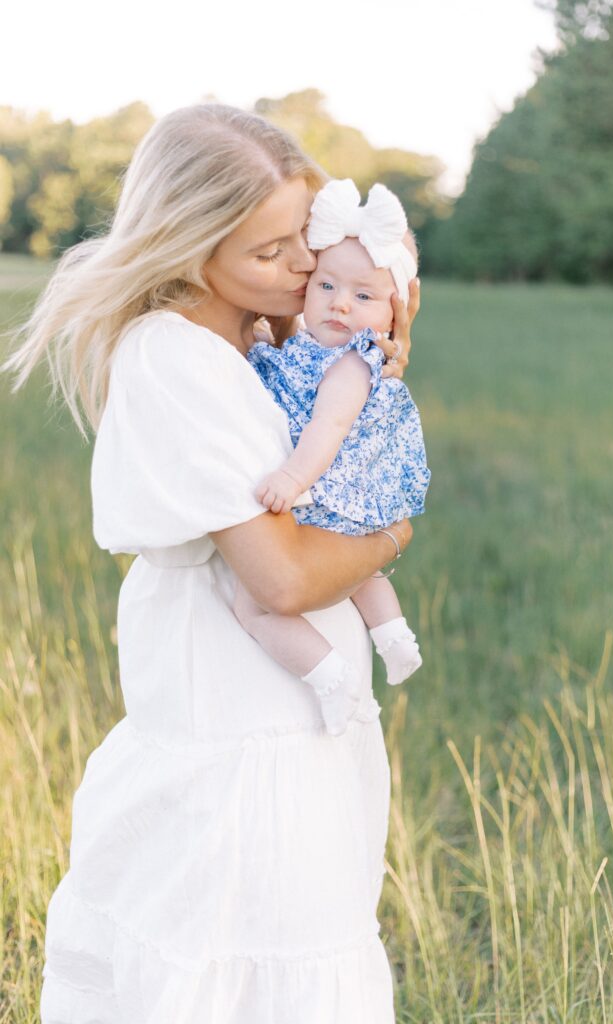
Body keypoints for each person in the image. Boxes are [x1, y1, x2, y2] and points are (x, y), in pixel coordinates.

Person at [2, 104, 419, 1023]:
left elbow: (340, 459)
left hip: (286, 735)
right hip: (233, 740)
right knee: (223, 976)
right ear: (191, 249)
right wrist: (393, 536)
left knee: (288, 966)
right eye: (273, 253)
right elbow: (283, 579)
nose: (305, 270)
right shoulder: (175, 360)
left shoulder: (262, 346)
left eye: (302, 243)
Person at [234, 178, 430, 737]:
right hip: (341, 499)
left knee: (254, 608)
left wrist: (294, 478)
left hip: (324, 487)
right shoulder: (312, 348)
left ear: (394, 314)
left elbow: (331, 423)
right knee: (362, 571)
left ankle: (329, 677)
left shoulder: (352, 362)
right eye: (326, 285)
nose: (340, 303)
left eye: (363, 297)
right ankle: (392, 637)